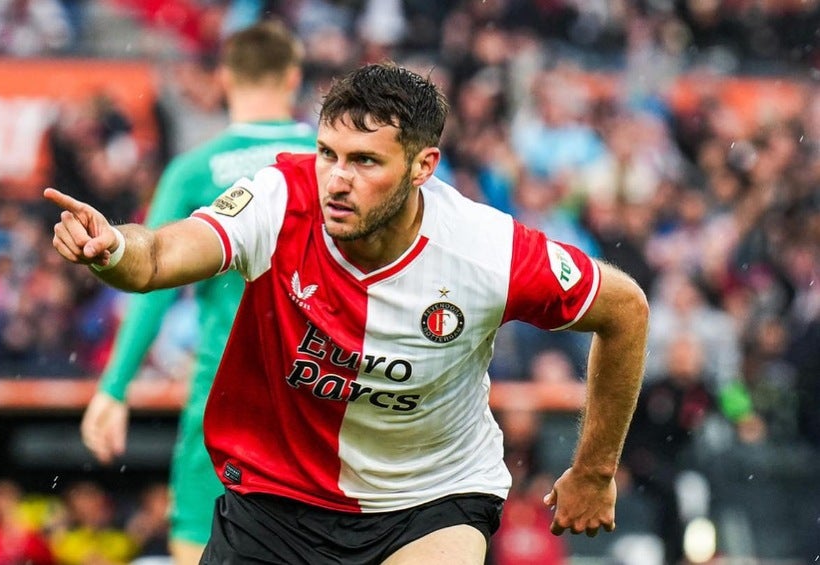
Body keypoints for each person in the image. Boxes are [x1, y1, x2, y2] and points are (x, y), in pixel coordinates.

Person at [48, 61, 649, 563]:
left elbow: (625, 309)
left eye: (364, 161)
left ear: (423, 166)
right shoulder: (281, 198)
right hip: (275, 499)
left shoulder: (488, 250)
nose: (337, 179)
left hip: (429, 500)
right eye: (328, 153)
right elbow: (159, 256)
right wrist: (115, 249)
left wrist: (595, 470)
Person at [78, 20, 316, 565]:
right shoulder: (330, 164)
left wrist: (114, 388)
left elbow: (150, 285)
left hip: (224, 393)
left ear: (226, 80)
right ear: (293, 77)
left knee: (199, 543)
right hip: (319, 392)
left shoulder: (194, 170)